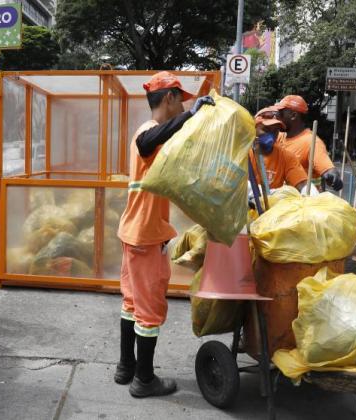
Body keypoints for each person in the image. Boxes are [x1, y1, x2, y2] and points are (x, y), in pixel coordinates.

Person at [116, 71, 215, 398]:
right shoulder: (147, 133)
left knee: (132, 303)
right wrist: (192, 114)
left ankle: (126, 367)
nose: (181, 105)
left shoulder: (151, 135)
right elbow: (150, 141)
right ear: (169, 98)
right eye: (180, 100)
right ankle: (144, 380)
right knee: (149, 310)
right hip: (145, 236)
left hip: (134, 232)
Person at [275, 95, 343, 191]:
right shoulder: (279, 137)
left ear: (293, 116)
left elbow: (327, 168)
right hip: (281, 201)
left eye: (280, 113)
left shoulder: (311, 142)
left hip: (303, 202)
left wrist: (333, 176)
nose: (277, 116)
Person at [251, 108, 308, 191]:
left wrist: (310, 194)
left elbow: (302, 184)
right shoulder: (243, 153)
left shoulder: (286, 157)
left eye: (275, 131)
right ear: (254, 129)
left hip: (273, 203)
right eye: (266, 129)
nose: (271, 135)